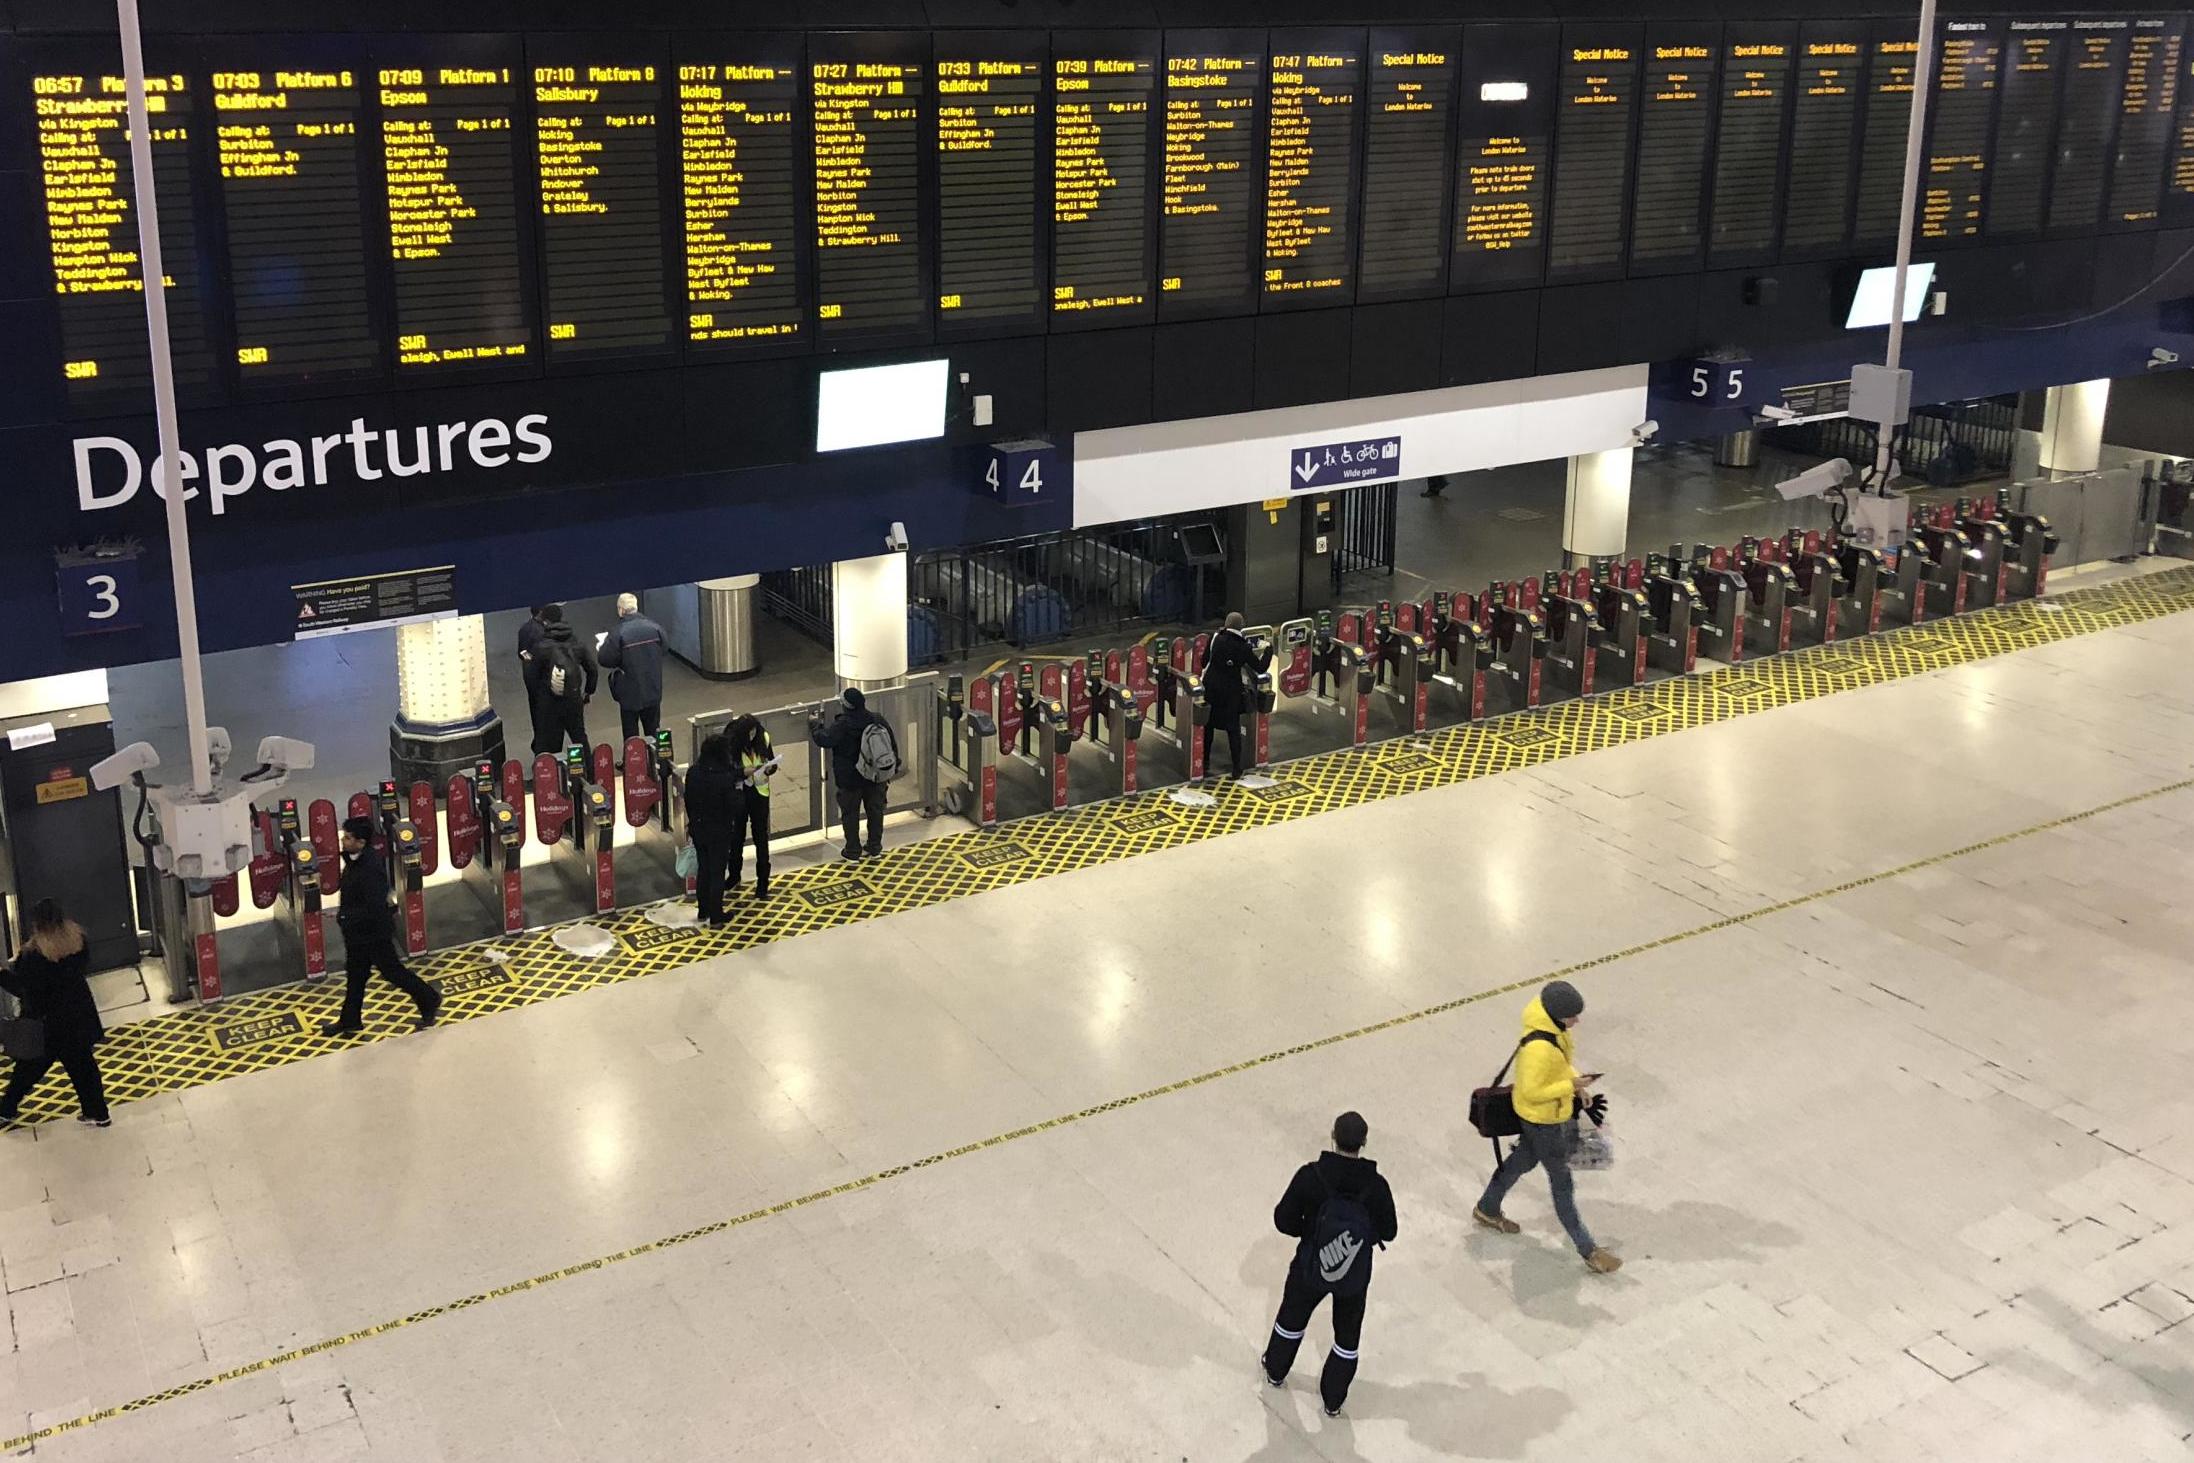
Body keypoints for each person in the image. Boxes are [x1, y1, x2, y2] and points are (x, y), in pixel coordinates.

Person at [1472, 980, 1621, 1274]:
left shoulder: (1553, 1031)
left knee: (1519, 1163)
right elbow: (1531, 1091)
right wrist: (1570, 1085)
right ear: (1556, 1014)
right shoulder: (1539, 1048)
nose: (1576, 1021)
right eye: (1572, 1016)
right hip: (1543, 1123)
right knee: (1562, 1184)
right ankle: (1588, 1250)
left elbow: (1561, 1065)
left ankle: (1487, 1209)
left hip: (1540, 1119)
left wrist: (1577, 1085)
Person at [1262, 1111, 1398, 1417]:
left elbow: (1283, 1220)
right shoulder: (1376, 1186)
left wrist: (1310, 1233)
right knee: (1346, 1338)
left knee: (1292, 1318)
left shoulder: (1311, 1175)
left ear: (1332, 1137)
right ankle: (1333, 1400)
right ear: (1364, 1143)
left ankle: (1276, 1370)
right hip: (1354, 1275)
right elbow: (1390, 1231)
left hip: (1310, 1266)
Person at [322, 816, 441, 1037]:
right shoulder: (355, 861)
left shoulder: (369, 868)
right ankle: (350, 1020)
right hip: (358, 934)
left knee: (392, 972)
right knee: (356, 975)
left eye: (348, 838)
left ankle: (429, 998)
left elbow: (374, 906)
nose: (343, 841)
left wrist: (345, 917)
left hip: (373, 934)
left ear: (361, 842)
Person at [0, 900, 111, 1129]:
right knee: (85, 1069)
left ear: (36, 925)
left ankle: (6, 1109)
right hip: (78, 1019)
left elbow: (23, 988)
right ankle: (98, 1112)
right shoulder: (77, 942)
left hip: (47, 1026)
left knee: (27, 1069)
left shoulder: (33, 955)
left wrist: (1, 975)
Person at [810, 687, 894, 859]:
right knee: (875, 811)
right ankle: (874, 846)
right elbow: (890, 744)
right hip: (875, 776)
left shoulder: (843, 725)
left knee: (850, 814)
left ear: (846, 706)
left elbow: (825, 739)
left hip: (850, 778)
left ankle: (853, 850)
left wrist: (814, 725)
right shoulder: (876, 719)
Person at [523, 603, 598, 756]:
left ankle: (552, 775)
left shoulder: (541, 647)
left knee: (550, 743)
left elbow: (531, 677)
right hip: (573, 698)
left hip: (549, 702)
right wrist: (588, 692)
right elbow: (592, 669)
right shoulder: (576, 643)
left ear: (545, 622)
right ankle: (589, 773)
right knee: (579, 737)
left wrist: (539, 697)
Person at [683, 733, 743, 925]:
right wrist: (739, 792)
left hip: (699, 828)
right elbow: (734, 806)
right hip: (719, 832)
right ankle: (716, 914)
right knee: (717, 872)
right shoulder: (724, 778)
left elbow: (688, 800)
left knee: (704, 869)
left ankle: (703, 910)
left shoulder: (693, 772)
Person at [597, 592, 667, 742]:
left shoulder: (618, 633)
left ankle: (633, 762)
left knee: (631, 734)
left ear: (621, 610)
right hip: (653, 688)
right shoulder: (655, 627)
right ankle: (659, 762)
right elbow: (664, 649)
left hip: (630, 692)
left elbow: (605, 659)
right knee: (654, 729)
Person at [725, 714, 776, 901]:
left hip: (759, 794)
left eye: (755, 731)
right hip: (739, 794)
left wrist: (770, 768)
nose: (753, 735)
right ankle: (734, 875)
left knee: (761, 838)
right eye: (749, 732)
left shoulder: (764, 737)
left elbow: (770, 759)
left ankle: (763, 882)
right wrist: (741, 773)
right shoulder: (730, 742)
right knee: (736, 836)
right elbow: (726, 771)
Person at [1200, 612, 1254, 781]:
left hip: (1212, 689)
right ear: (1241, 627)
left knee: (1208, 726)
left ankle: (1204, 762)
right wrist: (1268, 650)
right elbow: (1259, 667)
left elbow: (1204, 662)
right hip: (1231, 693)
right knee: (1233, 730)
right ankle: (1236, 768)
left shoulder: (1215, 638)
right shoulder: (1243, 646)